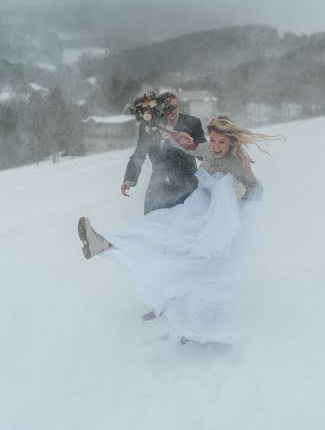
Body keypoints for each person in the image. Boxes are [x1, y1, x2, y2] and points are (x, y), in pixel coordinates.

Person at [78, 117, 281, 344]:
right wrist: (176, 137)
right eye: (213, 140)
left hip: (218, 222)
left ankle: (204, 327)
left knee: (201, 268)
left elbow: (257, 191)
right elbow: (192, 147)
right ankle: (107, 244)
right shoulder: (209, 151)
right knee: (158, 225)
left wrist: (241, 190)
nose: (215, 146)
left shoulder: (236, 162)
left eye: (221, 142)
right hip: (194, 210)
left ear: (232, 142)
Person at [121, 92, 206, 214]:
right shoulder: (148, 126)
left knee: (181, 225)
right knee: (149, 223)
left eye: (174, 107)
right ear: (159, 109)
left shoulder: (192, 123)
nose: (171, 111)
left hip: (187, 187)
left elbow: (204, 155)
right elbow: (139, 154)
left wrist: (191, 145)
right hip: (157, 186)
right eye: (167, 108)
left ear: (179, 106)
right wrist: (129, 179)